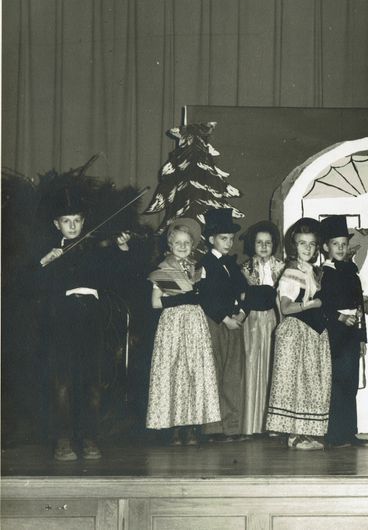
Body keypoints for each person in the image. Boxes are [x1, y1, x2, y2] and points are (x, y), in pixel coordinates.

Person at [37, 187, 133, 461]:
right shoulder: (50, 253)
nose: (72, 226)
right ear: (57, 224)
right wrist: (45, 262)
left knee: (92, 380)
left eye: (77, 220)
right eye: (66, 221)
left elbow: (123, 276)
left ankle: (89, 436)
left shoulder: (97, 252)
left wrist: (123, 247)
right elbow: (28, 286)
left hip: (92, 316)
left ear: (84, 222)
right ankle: (63, 439)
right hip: (62, 317)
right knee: (63, 381)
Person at [145, 218, 220, 445]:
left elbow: (204, 297)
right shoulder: (163, 269)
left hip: (194, 324)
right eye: (177, 242)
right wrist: (182, 299)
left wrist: (193, 296)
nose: (182, 246)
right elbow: (156, 304)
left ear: (193, 244)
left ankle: (192, 425)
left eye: (186, 243)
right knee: (174, 371)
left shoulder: (198, 269)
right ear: (170, 244)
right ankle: (174, 427)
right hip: (173, 325)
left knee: (193, 372)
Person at [265, 217, 331, 450]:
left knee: (309, 382)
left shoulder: (311, 271)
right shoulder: (291, 273)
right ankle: (296, 434)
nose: (307, 248)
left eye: (312, 244)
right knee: (298, 382)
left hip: (312, 332)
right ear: (294, 245)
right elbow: (286, 307)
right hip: (296, 332)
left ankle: (303, 432)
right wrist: (310, 305)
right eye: (302, 243)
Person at [318, 215, 368, 448]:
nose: (340, 248)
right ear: (326, 247)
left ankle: (349, 432)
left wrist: (361, 337)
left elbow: (360, 306)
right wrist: (340, 317)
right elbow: (322, 304)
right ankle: (334, 434)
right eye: (335, 244)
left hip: (351, 333)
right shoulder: (324, 273)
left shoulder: (351, 270)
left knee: (351, 382)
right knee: (336, 382)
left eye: (343, 244)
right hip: (334, 332)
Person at [198, 208, 248, 441]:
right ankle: (212, 428)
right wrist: (225, 318)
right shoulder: (205, 263)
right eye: (223, 238)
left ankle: (231, 427)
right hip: (215, 323)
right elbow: (205, 297)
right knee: (214, 373)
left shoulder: (232, 265)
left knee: (231, 375)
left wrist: (241, 314)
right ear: (211, 240)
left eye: (230, 238)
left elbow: (244, 291)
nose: (228, 243)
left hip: (233, 324)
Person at [240, 220, 284, 436]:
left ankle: (273, 424)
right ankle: (251, 424)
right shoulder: (245, 269)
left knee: (273, 366)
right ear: (253, 244)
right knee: (252, 365)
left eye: (268, 242)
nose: (264, 246)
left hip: (274, 319)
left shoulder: (282, 268)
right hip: (252, 322)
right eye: (260, 242)